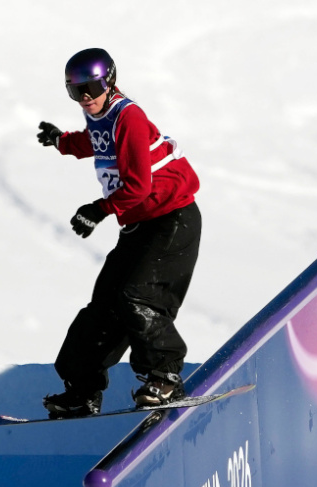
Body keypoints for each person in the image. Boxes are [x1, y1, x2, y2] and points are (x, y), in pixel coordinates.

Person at [36, 48, 201, 417]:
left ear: (109, 80)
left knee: (136, 297)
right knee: (103, 307)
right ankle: (82, 390)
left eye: (91, 87)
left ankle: (166, 375)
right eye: (74, 91)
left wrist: (99, 209)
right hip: (140, 224)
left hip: (172, 219)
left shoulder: (130, 116)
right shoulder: (100, 113)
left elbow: (139, 186)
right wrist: (62, 141)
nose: (84, 98)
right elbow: (95, 141)